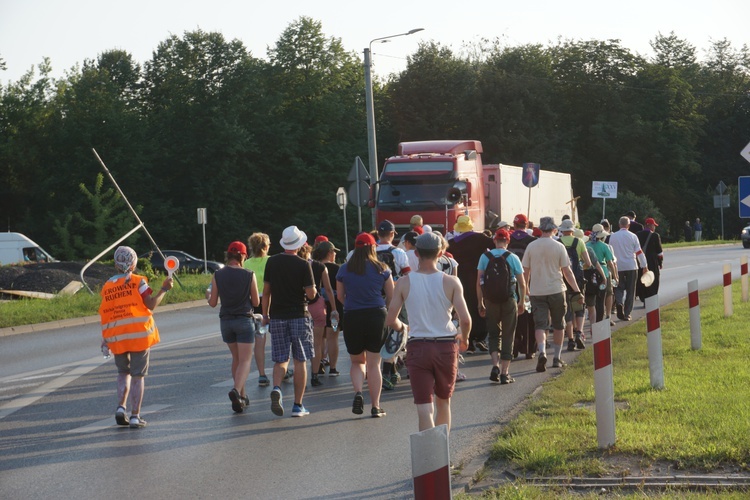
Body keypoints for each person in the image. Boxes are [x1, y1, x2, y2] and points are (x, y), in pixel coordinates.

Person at [386, 232, 471, 433]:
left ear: (416, 253)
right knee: (444, 402)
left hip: (417, 347)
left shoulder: (404, 282)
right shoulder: (451, 282)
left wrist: (403, 328)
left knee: (424, 408)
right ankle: (442, 458)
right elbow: (466, 319)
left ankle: (429, 458)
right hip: (445, 346)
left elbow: (391, 320)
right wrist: (464, 338)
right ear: (441, 253)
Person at [100, 246, 173, 429]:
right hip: (139, 335)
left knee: (122, 373)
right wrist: (164, 289)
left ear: (116, 264)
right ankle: (135, 416)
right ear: (133, 263)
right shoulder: (138, 282)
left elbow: (107, 313)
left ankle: (120, 408)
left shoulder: (107, 286)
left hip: (117, 336)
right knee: (138, 376)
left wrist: (106, 338)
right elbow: (151, 304)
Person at [336, 232, 394, 418]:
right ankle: (376, 406)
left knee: (356, 361)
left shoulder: (344, 269)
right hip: (377, 315)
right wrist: (384, 311)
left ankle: (358, 392)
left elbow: (340, 296)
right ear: (372, 248)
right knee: (374, 363)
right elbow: (391, 297)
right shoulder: (382, 268)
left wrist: (352, 306)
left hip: (352, 316)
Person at [261, 226, 317, 418]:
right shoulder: (304, 265)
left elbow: (266, 292)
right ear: (300, 244)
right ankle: (297, 405)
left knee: (280, 359)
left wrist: (266, 315)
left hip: (277, 316)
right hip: (299, 315)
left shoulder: (272, 262)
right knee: (300, 360)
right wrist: (314, 291)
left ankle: (277, 387)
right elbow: (311, 294)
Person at [522, 217, 584, 372]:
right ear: (554, 229)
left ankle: (542, 351)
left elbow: (525, 272)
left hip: (537, 291)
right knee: (559, 324)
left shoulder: (531, 246)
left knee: (540, 325)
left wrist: (525, 291)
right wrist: (577, 290)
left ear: (540, 229)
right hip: (557, 289)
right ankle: (556, 357)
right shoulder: (559, 246)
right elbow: (567, 272)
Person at [207, 241, 260, 413]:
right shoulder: (249, 274)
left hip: (226, 322)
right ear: (243, 256)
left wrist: (208, 296)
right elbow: (256, 301)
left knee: (236, 359)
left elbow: (213, 303)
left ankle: (242, 397)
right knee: (245, 360)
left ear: (228, 255)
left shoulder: (217, 275)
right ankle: (236, 390)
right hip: (244, 320)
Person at [477, 229, 526, 384]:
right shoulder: (513, 258)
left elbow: (479, 282)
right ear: (508, 241)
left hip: (491, 300)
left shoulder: (485, 257)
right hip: (509, 299)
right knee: (508, 335)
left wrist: (480, 302)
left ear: (494, 240)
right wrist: (522, 301)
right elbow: (522, 283)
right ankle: (505, 373)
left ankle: (495, 365)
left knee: (493, 334)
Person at [447, 215, 494, 353]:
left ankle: (468, 338)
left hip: (460, 277)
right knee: (479, 304)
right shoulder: (481, 238)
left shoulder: (452, 242)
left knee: (464, 306)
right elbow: (495, 246)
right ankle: (480, 337)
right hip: (478, 276)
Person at [375, 220, 411, 389]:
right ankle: (389, 369)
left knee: (378, 334)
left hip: (374, 297)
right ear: (392, 234)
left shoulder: (369, 251)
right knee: (396, 332)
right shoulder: (399, 252)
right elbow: (408, 276)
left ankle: (378, 369)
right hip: (396, 296)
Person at [297, 243, 338, 388]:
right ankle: (315, 375)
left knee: (299, 343)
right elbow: (328, 288)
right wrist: (333, 308)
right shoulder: (320, 267)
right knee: (317, 342)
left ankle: (301, 374)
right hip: (317, 305)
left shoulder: (294, 265)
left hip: (298, 306)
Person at [558, 219, 593, 351]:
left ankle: (571, 339)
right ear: (572, 230)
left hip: (562, 278)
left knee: (567, 308)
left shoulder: (558, 243)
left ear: (562, 230)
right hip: (577, 278)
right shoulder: (579, 242)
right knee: (579, 305)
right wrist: (579, 267)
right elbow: (588, 263)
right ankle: (579, 332)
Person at [507, 213, 537, 359]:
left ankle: (514, 346)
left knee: (513, 315)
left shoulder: (508, 239)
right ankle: (529, 348)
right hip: (529, 281)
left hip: (509, 282)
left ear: (514, 224)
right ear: (527, 225)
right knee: (529, 316)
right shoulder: (533, 241)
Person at [312, 240, 343, 377]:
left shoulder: (313, 267)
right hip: (333, 305)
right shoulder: (337, 268)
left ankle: (318, 366)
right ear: (330, 253)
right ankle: (333, 368)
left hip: (317, 305)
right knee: (332, 336)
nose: (335, 254)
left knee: (318, 339)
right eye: (334, 252)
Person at [244, 232, 271, 387]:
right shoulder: (271, 261)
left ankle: (262, 374)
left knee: (260, 340)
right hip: (272, 301)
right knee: (280, 338)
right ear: (266, 246)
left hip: (254, 303)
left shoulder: (247, 263)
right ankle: (283, 368)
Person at [609, 216, 649, 322]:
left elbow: (610, 252)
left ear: (619, 224)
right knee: (631, 290)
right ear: (628, 225)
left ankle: (619, 303)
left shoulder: (613, 237)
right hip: (631, 266)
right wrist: (644, 266)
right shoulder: (633, 236)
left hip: (618, 266)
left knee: (618, 287)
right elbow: (639, 252)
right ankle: (627, 313)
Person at [585, 224, 616, 330]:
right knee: (603, 297)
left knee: (591, 299)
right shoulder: (604, 246)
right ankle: (602, 320)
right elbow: (610, 262)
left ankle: (593, 320)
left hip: (589, 274)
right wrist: (615, 275)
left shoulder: (587, 245)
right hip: (603, 273)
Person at [636, 217, 664, 300]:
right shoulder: (655, 236)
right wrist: (660, 262)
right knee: (652, 279)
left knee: (641, 279)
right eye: (654, 226)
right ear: (650, 226)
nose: (654, 227)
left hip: (640, 261)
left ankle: (643, 297)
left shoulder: (638, 234)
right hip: (651, 261)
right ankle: (651, 297)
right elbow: (659, 252)